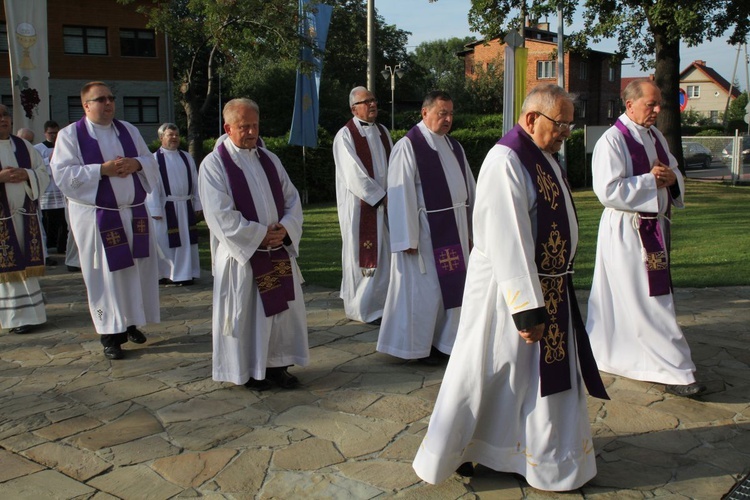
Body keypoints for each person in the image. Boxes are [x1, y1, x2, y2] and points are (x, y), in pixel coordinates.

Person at [412, 84, 609, 491]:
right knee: (488, 370)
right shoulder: (507, 159)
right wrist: (528, 307)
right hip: (508, 294)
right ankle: (465, 448)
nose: (565, 134)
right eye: (561, 125)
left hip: (548, 287)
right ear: (532, 118)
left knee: (525, 381)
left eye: (570, 127)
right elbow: (508, 236)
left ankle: (529, 454)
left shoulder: (544, 156)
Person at [586, 79, 705, 397]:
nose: (657, 110)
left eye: (658, 104)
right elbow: (607, 191)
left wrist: (671, 178)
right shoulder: (612, 140)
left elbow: (674, 171)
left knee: (640, 298)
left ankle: (622, 356)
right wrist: (652, 181)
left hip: (653, 229)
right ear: (630, 105)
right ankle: (676, 368)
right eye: (650, 104)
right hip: (627, 231)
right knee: (650, 300)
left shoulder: (655, 137)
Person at [198, 98, 308, 391]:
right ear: (228, 127)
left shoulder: (269, 159)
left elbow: (292, 198)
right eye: (243, 127)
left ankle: (277, 366)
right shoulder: (214, 164)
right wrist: (259, 234)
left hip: (277, 250)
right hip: (243, 257)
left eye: (255, 126)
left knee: (282, 315)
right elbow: (218, 214)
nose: (250, 133)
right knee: (249, 316)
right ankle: (247, 371)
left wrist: (285, 227)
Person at [51, 81, 160, 360]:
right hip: (98, 216)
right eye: (101, 99)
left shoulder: (128, 130)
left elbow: (149, 160)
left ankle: (131, 323)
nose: (109, 103)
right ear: (86, 105)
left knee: (135, 270)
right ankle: (110, 334)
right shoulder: (70, 135)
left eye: (111, 98)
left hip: (133, 211)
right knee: (105, 275)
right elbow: (63, 175)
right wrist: (102, 170)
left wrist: (136, 164)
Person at [377, 90, 476, 364]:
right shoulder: (408, 146)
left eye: (450, 114)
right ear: (425, 113)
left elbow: (469, 188)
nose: (447, 119)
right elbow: (399, 194)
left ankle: (445, 342)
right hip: (424, 233)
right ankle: (418, 347)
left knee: (453, 290)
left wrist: (473, 226)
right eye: (442, 113)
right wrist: (406, 237)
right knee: (426, 292)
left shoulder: (454, 146)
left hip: (454, 227)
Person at [332, 86, 392, 324]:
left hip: (386, 206)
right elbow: (353, 174)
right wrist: (379, 196)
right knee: (364, 257)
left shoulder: (383, 132)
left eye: (373, 100)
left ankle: (383, 304)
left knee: (385, 256)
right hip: (360, 208)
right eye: (366, 101)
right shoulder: (345, 136)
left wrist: (395, 194)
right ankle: (361, 307)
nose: (372, 104)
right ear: (353, 108)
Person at [0, 107, 49, 334]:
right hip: (2, 220)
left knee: (25, 263)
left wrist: (27, 175)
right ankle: (12, 317)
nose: (3, 120)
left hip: (23, 215)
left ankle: (31, 315)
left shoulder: (24, 146)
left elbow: (43, 172)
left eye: (6, 115)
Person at [147, 123, 202, 286]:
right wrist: (155, 208)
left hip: (185, 205)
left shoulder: (186, 157)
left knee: (187, 241)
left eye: (176, 135)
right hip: (166, 207)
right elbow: (152, 185)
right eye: (170, 135)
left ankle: (187, 273)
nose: (174, 138)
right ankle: (166, 273)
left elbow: (195, 181)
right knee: (165, 243)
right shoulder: (154, 159)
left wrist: (197, 204)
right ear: (161, 138)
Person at [34, 121, 68, 259]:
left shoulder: (64, 146)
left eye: (56, 133)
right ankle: (49, 246)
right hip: (48, 188)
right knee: (48, 219)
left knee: (63, 220)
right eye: (50, 133)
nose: (53, 136)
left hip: (62, 188)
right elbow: (36, 167)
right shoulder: (37, 148)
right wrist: (48, 160)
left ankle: (62, 246)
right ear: (45, 133)